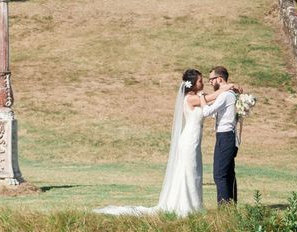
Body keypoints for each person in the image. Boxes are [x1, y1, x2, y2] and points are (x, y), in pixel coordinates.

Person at [95, 69, 234, 217]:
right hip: (189, 141)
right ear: (192, 84)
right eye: (200, 81)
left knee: (194, 171)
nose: (203, 83)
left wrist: (225, 91)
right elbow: (212, 97)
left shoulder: (198, 97)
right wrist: (227, 87)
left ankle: (193, 205)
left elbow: (210, 100)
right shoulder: (190, 98)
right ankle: (186, 207)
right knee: (190, 171)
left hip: (194, 140)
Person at [199, 66, 239, 205]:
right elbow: (215, 113)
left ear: (219, 78)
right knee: (228, 173)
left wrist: (201, 97)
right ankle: (231, 206)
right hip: (227, 136)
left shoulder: (225, 95)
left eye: (211, 79)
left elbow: (207, 112)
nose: (210, 82)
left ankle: (224, 207)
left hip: (225, 136)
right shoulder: (228, 95)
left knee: (220, 174)